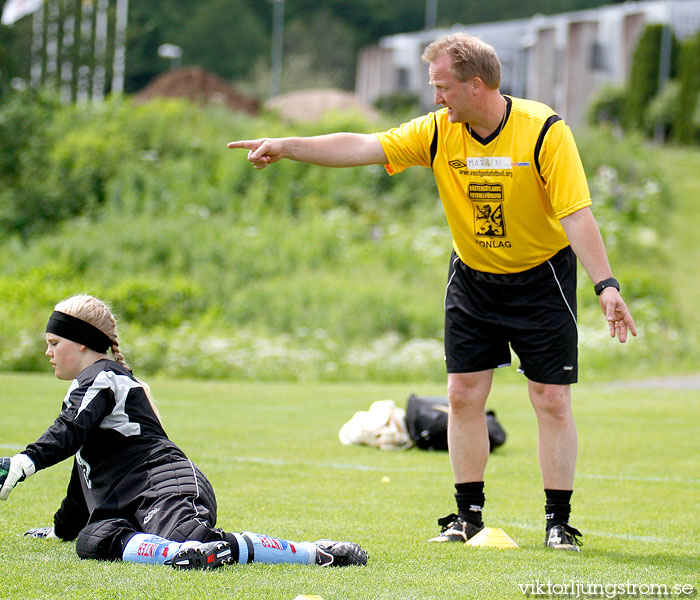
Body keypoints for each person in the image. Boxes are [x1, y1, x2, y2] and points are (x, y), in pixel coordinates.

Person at [226, 32, 637, 552]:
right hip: (473, 278)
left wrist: (606, 285)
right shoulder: (440, 131)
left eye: (442, 87)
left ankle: (559, 522)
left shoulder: (544, 132)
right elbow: (365, 145)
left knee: (551, 400)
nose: (436, 97)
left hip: (541, 278)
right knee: (463, 395)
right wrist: (288, 147)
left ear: (476, 85)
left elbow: (576, 215)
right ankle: (466, 515)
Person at [0, 294, 367, 569]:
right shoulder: (89, 385)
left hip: (166, 484)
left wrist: (24, 462)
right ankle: (181, 556)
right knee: (92, 540)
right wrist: (60, 530)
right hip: (126, 504)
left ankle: (315, 552)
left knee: (189, 538)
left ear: (81, 341)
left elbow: (68, 431)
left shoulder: (104, 377)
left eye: (54, 343)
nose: (47, 352)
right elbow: (84, 468)